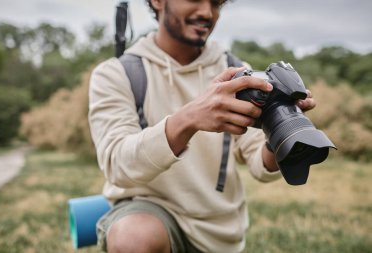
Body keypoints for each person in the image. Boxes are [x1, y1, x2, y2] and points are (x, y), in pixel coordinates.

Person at [88, 0, 316, 252]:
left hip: (219, 232)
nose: (207, 13)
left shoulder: (237, 72)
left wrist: (283, 130)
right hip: (148, 212)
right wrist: (189, 118)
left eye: (217, 3)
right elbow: (117, 164)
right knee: (134, 236)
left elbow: (258, 163)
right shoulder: (115, 73)